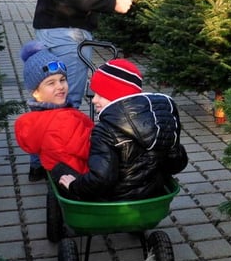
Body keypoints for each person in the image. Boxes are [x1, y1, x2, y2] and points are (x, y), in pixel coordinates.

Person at [52, 59, 188, 201]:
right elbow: (177, 164)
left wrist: (74, 186)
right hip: (153, 195)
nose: (93, 100)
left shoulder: (105, 131)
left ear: (116, 96)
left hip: (115, 200)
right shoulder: (162, 121)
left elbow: (101, 180)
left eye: (100, 94)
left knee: (58, 169)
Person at [14, 41, 94, 181]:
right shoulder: (63, 121)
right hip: (83, 181)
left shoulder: (37, 120)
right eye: (51, 83)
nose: (60, 87)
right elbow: (91, 149)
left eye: (62, 80)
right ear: (36, 93)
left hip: (60, 179)